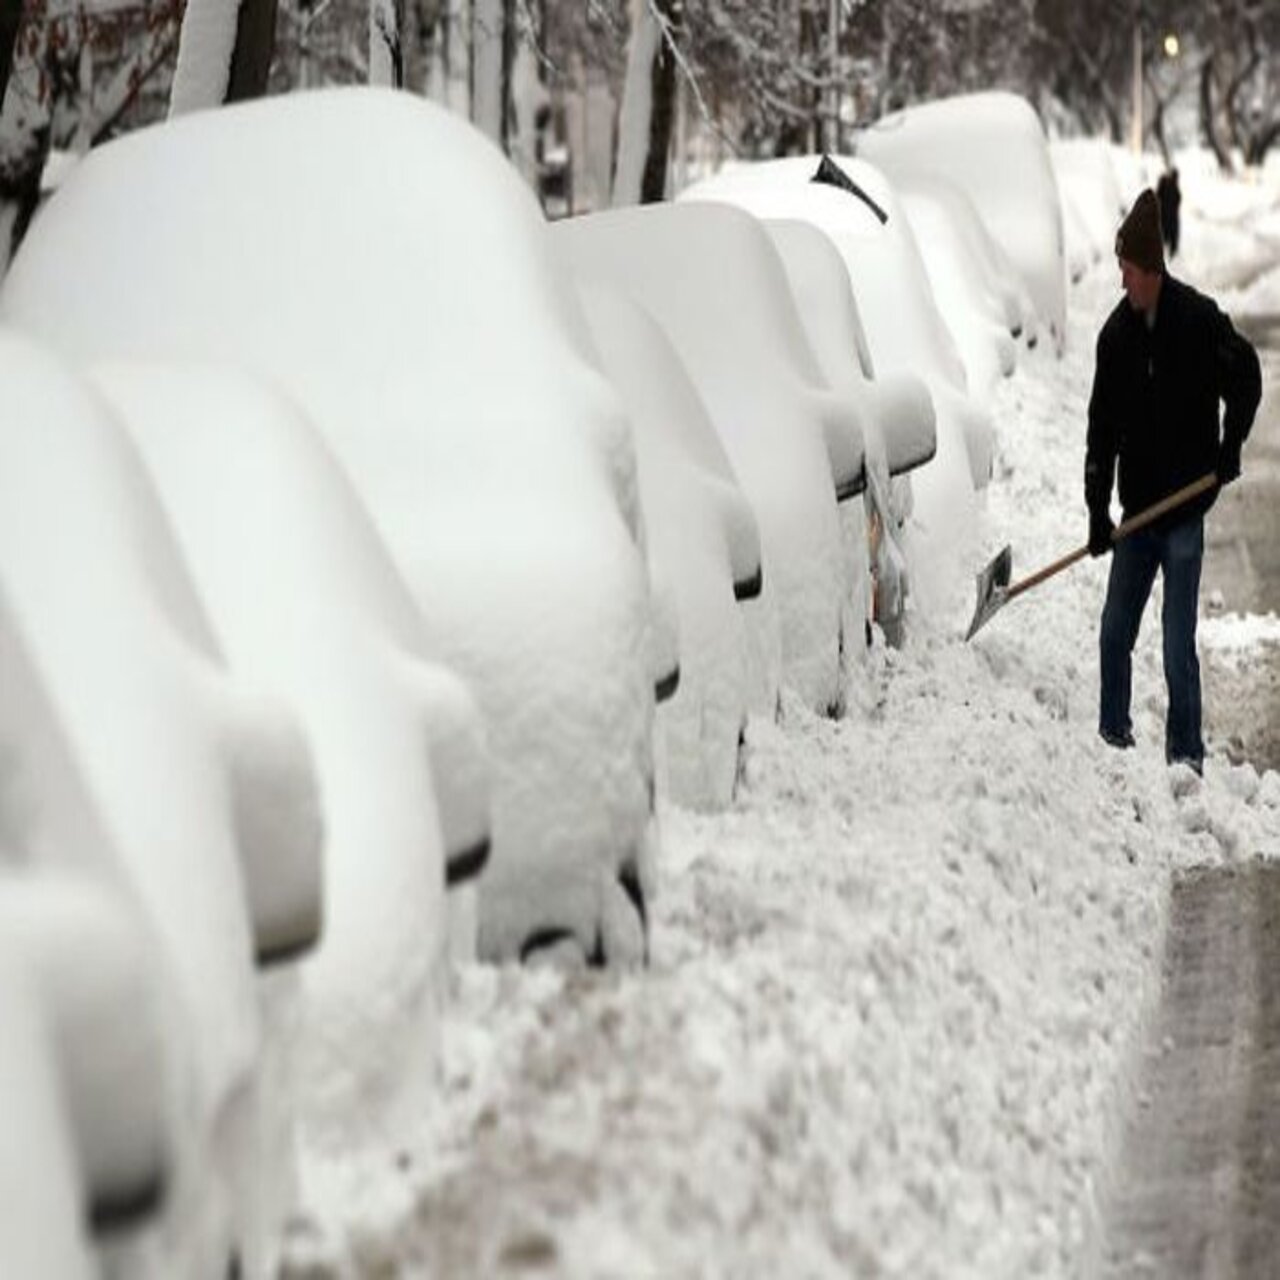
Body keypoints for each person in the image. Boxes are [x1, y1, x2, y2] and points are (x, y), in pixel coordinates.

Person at [1084, 188, 1261, 772]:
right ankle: (1113, 740)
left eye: (1128, 270)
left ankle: (1186, 757)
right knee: (1114, 633)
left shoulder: (1199, 320)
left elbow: (1247, 377)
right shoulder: (1115, 339)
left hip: (1184, 511)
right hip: (1137, 516)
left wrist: (1231, 442)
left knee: (1177, 645)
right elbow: (1101, 430)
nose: (1123, 281)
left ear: (1153, 269)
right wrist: (1095, 510)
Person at [1156, 168, 1182, 258]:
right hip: (1170, 215)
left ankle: (1168, 250)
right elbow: (1177, 200)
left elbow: (1158, 196)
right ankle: (1171, 251)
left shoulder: (1168, 185)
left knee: (1165, 233)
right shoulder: (1173, 187)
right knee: (1171, 233)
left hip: (1165, 215)